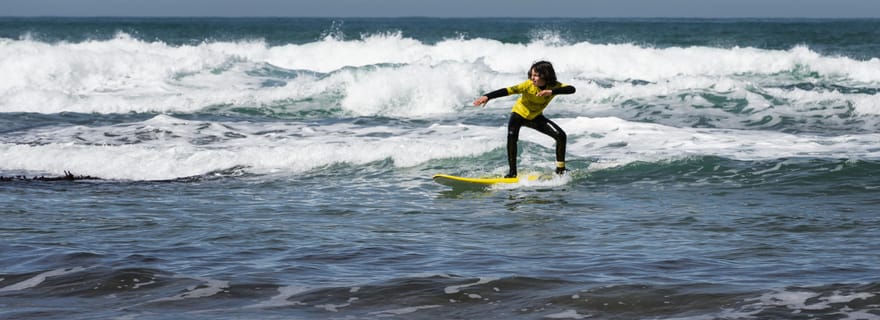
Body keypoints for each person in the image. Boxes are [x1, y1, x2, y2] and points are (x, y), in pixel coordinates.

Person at [473, 60, 575, 178]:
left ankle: (560, 169)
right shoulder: (527, 85)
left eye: (536, 75)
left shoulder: (554, 86)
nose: (533, 78)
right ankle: (512, 173)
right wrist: (488, 96)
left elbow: (571, 89)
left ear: (546, 75)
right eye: (531, 75)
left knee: (561, 135)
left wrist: (551, 92)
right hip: (518, 115)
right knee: (512, 138)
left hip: (535, 117)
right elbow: (508, 90)